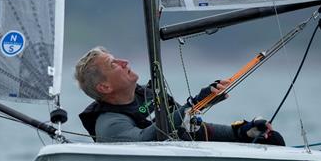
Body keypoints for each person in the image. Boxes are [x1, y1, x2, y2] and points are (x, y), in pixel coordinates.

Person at [75, 46, 285, 145]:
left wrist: (240, 132)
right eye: (114, 64)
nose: (124, 62)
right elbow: (143, 140)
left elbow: (189, 128)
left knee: (271, 139)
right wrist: (192, 104)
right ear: (104, 87)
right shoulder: (109, 124)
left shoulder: (148, 95)